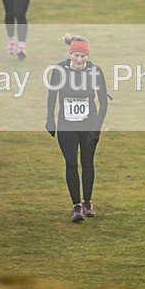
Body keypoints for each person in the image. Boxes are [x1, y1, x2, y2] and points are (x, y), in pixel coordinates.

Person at [45, 33, 109, 223]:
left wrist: (97, 128)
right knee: (71, 162)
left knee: (87, 163)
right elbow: (52, 95)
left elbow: (104, 102)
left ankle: (88, 203)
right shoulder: (59, 70)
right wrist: (50, 120)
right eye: (76, 55)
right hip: (66, 123)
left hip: (88, 124)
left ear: (87, 56)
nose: (79, 59)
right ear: (70, 53)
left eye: (83, 56)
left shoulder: (96, 72)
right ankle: (76, 207)